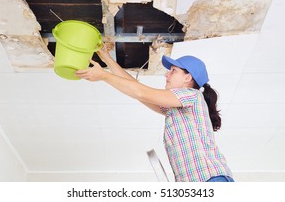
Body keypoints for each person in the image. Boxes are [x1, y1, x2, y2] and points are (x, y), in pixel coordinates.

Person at [75, 45, 234, 182]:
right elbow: (135, 88)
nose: (167, 74)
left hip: (211, 179)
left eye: (173, 71)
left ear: (188, 77)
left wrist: (103, 75)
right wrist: (107, 59)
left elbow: (141, 93)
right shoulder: (174, 108)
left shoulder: (192, 96)